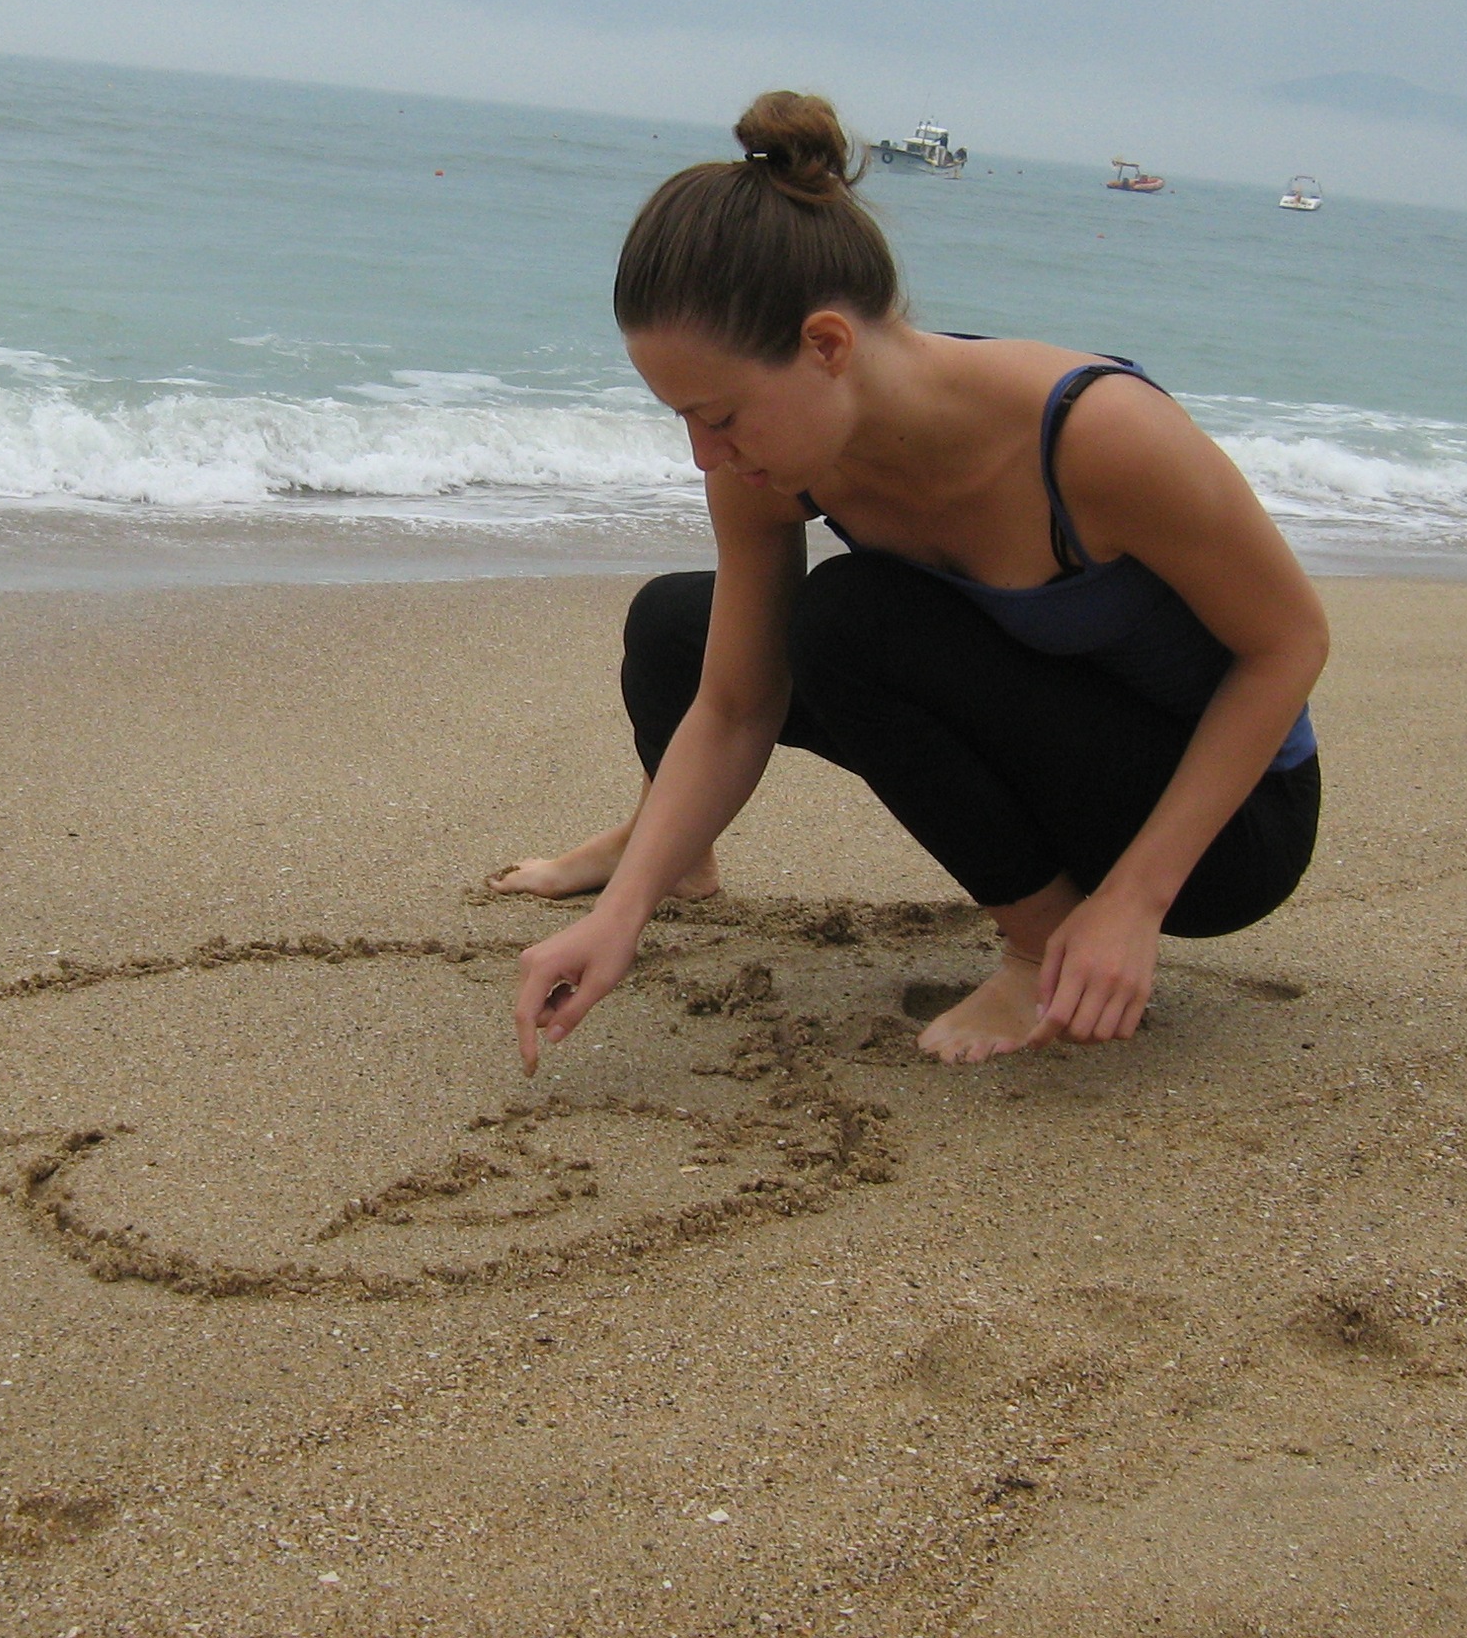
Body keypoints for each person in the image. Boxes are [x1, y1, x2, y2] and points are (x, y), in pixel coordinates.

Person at [501, 92, 1327, 1071]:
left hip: (1223, 829)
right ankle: (664, 852)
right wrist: (624, 915)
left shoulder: (1096, 434)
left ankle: (1042, 951)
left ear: (827, 346)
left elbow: (1289, 647)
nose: (701, 454)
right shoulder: (766, 468)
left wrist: (1134, 901)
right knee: (677, 623)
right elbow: (733, 705)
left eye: (717, 416)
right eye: (681, 418)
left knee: (849, 618)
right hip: (1038, 754)